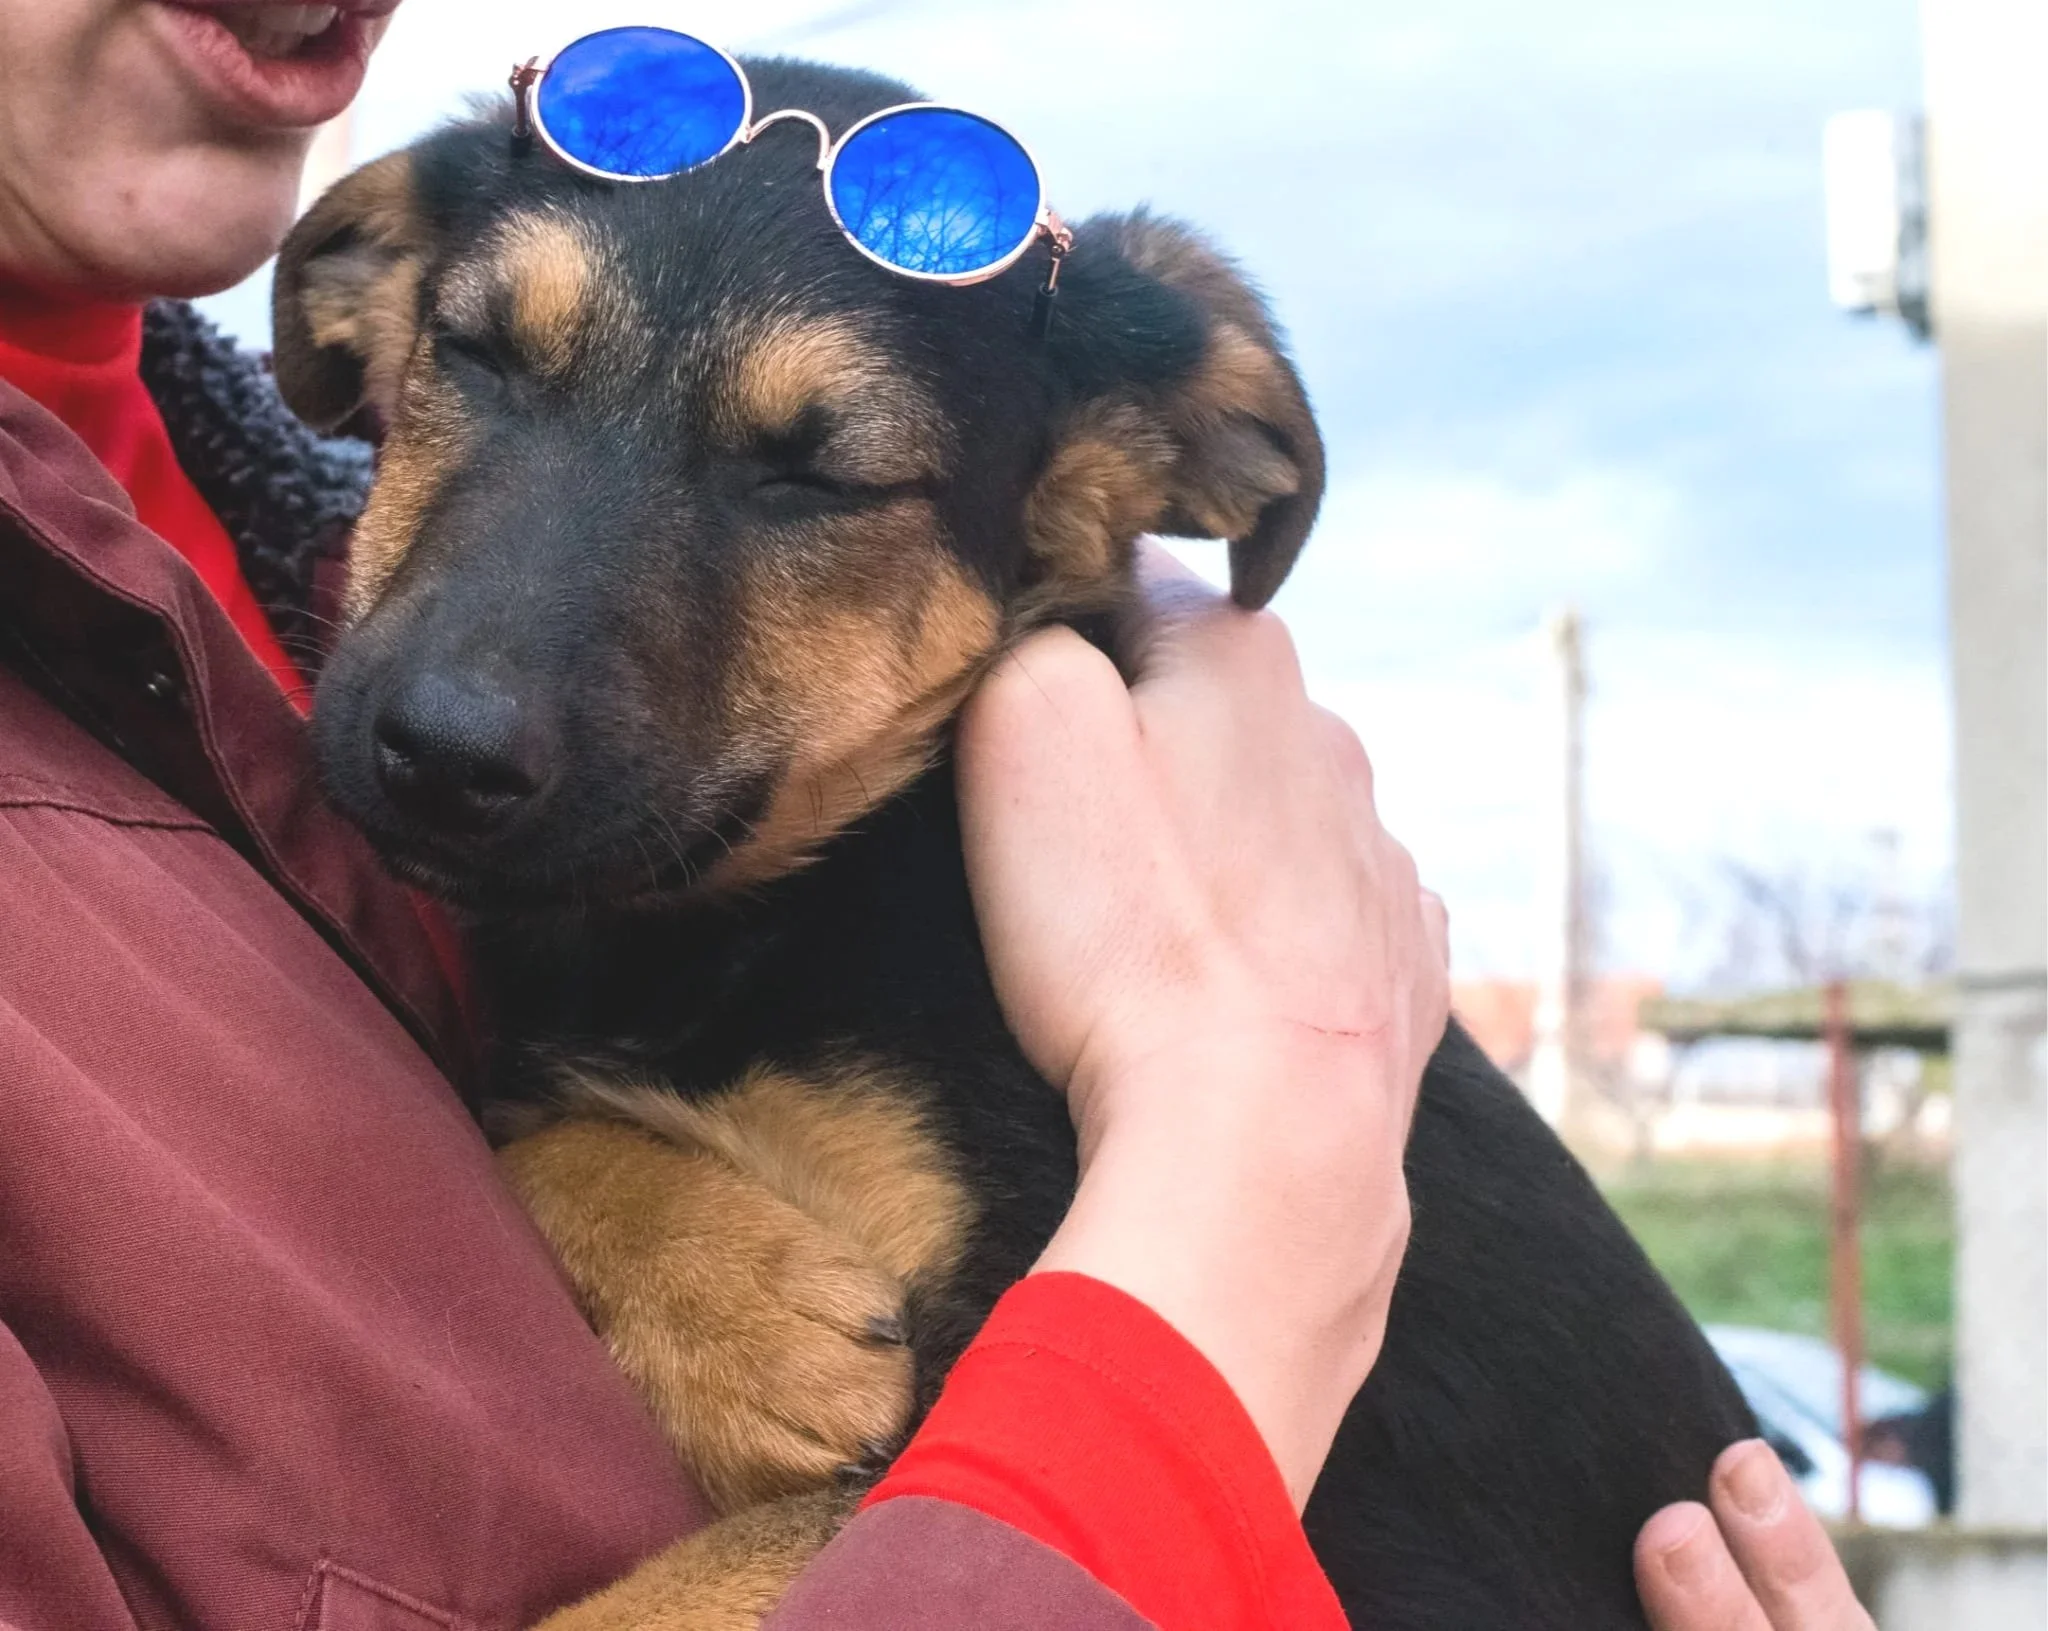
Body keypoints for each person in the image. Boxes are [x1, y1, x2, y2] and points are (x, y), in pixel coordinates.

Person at [0, 3, 1874, 1628]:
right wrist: (1252, 1138)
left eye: (811, 476)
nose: (474, 689)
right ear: (378, 323)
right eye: (491, 360)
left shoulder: (1046, 940)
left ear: (1093, 499)